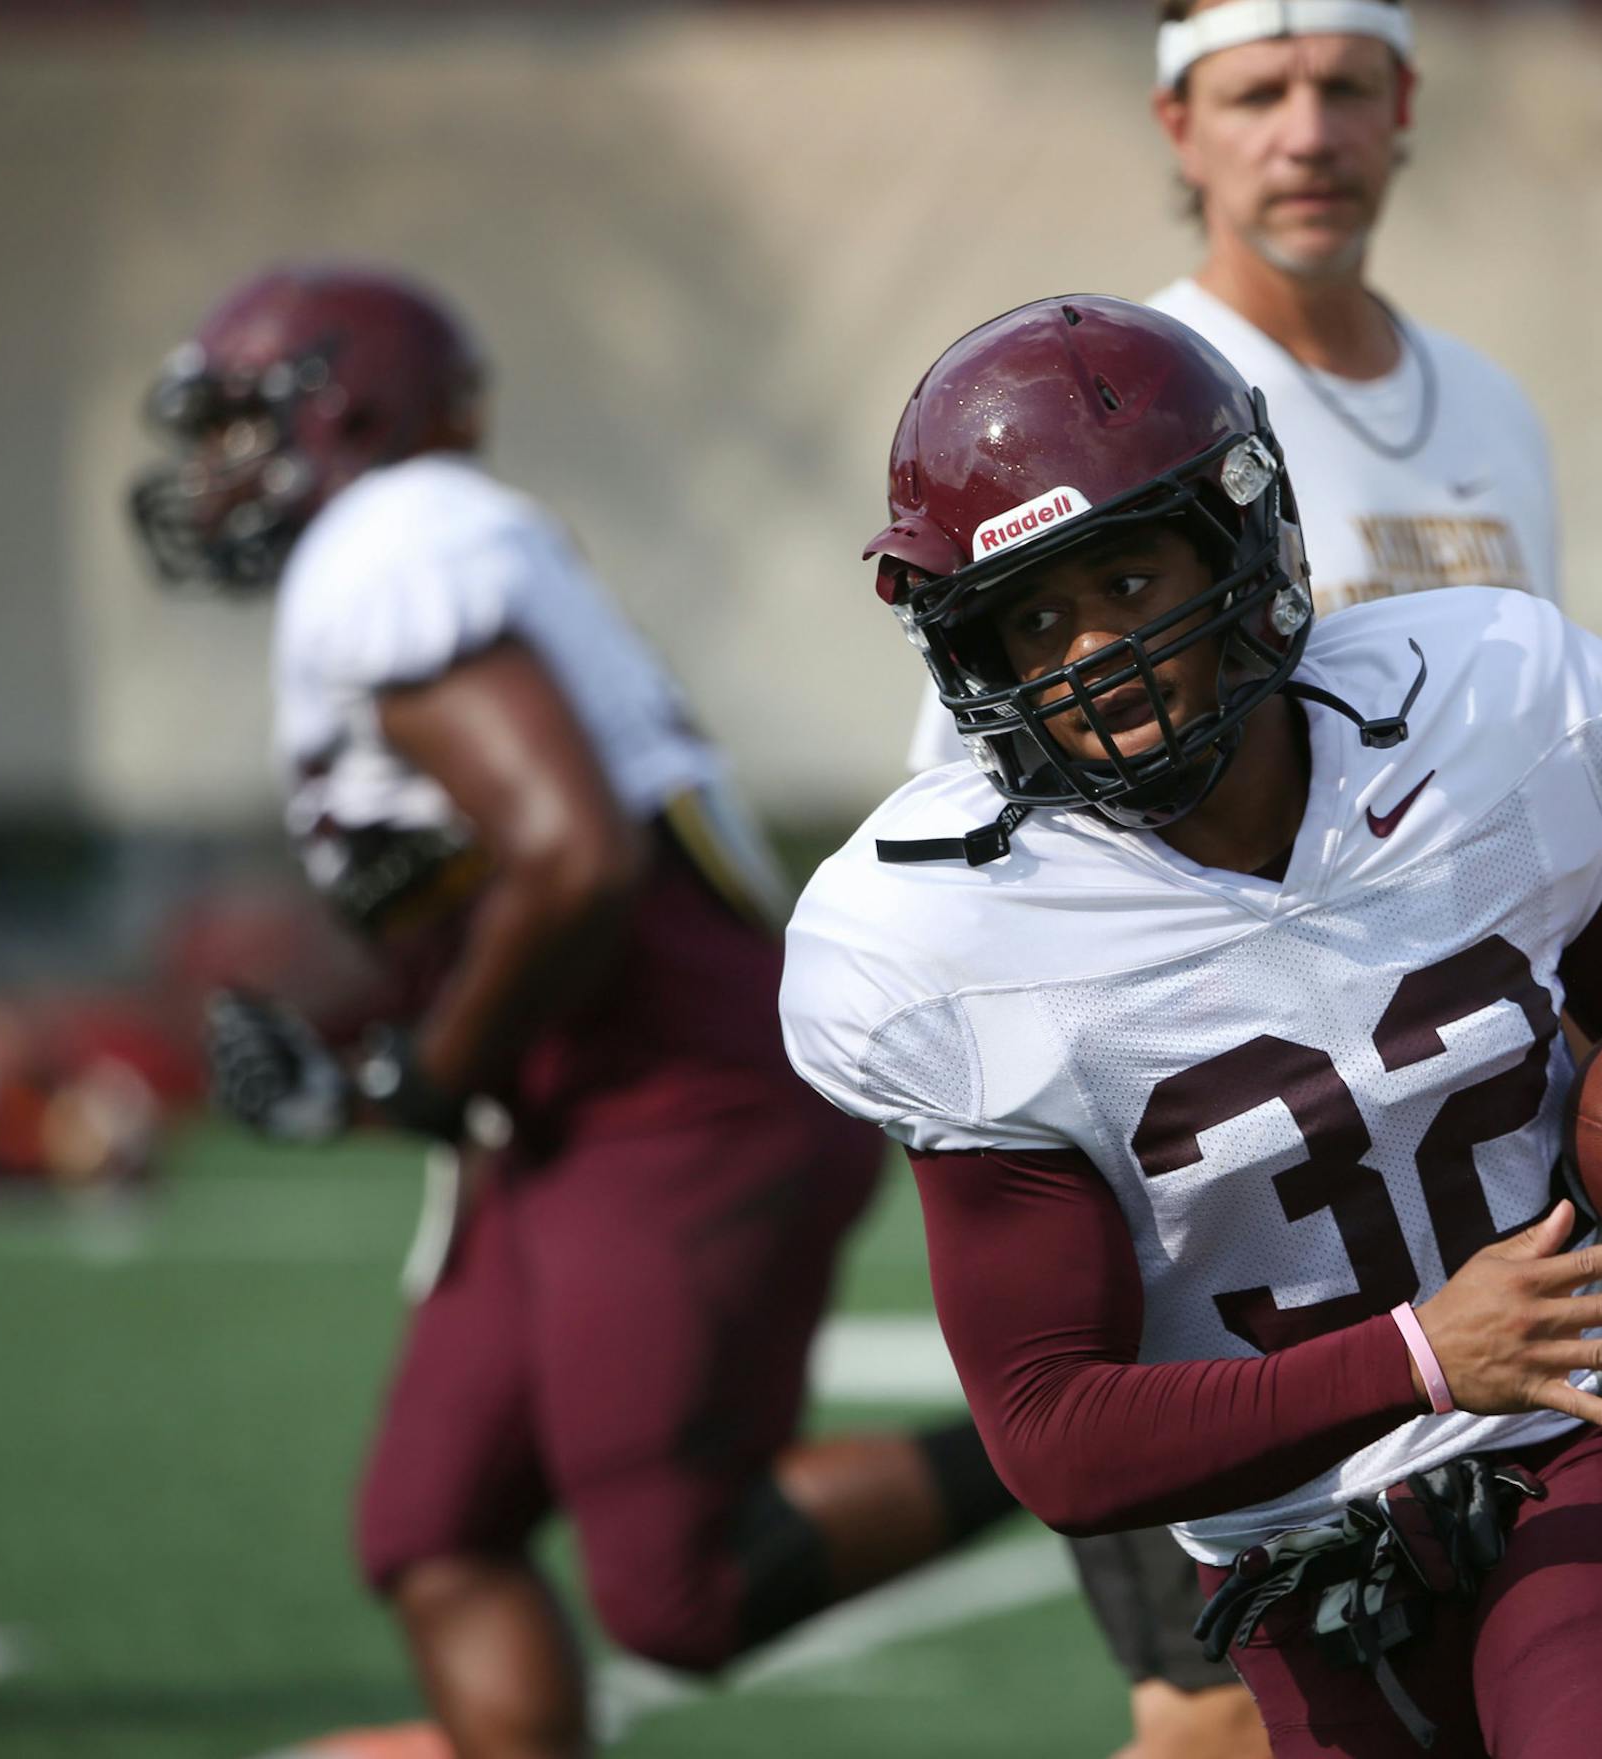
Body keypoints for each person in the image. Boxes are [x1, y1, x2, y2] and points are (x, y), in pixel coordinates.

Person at [781, 296, 1602, 1758]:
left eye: (1129, 579)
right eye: (1036, 617)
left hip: (1588, 1439)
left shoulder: (1483, 715)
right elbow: (1053, 1431)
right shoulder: (951, 943)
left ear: (1239, 542)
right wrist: (1419, 1354)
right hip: (1293, 1565)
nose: (1095, 658)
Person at [130, 264, 1015, 1759]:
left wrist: (421, 1072)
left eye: (240, 426)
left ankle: (1093, 1455)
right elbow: (490, 876)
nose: (215, 472)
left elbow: (573, 857)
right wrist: (371, 1056)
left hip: (679, 1094)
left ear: (339, 411)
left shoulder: (393, 537)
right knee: (434, 1521)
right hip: (565, 1101)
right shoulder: (423, 547)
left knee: (681, 1586)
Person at [905, 0, 1553, 774]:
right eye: (1258, 95)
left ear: (1403, 102)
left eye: (1346, 88)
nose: (1310, 139)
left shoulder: (1493, 403)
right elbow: (983, 784)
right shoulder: (1108, 417)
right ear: (1180, 125)